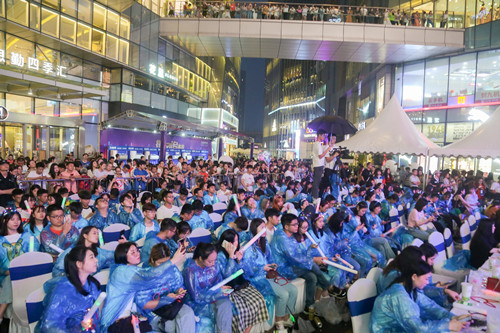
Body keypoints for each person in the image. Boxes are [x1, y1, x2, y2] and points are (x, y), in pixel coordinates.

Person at [101, 241, 185, 332]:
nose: (137, 254)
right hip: (116, 322)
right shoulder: (121, 272)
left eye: (137, 250)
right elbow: (149, 276)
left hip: (131, 320)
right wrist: (173, 260)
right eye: (133, 252)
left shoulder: (134, 270)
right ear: (123, 256)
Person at [370, 259, 468, 332]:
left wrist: (451, 317)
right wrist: (448, 325)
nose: (427, 283)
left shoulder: (409, 288)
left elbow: (429, 306)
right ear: (414, 276)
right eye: (426, 279)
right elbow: (419, 329)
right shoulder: (399, 295)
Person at [242, 219, 297, 329]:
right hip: (257, 279)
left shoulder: (264, 242)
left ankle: (286, 316)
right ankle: (279, 320)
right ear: (254, 229)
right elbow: (247, 269)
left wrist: (272, 264)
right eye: (261, 227)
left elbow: (270, 259)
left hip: (268, 274)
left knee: (293, 290)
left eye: (264, 227)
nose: (264, 230)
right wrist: (263, 268)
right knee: (283, 294)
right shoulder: (248, 246)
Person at [270, 213, 328, 309]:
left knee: (312, 277)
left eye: (297, 224)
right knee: (313, 265)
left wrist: (310, 250)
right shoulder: (283, 238)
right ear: (286, 226)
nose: (297, 226)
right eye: (294, 225)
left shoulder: (288, 235)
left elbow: (299, 255)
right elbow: (294, 257)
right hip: (283, 268)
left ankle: (309, 305)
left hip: (292, 265)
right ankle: (327, 285)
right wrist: (313, 259)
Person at [216, 229, 269, 333]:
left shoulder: (237, 251)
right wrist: (231, 257)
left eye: (236, 240)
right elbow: (226, 276)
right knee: (241, 310)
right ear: (225, 242)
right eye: (232, 241)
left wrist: (239, 261)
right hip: (227, 287)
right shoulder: (219, 255)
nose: (234, 244)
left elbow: (244, 272)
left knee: (259, 300)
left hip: (240, 283)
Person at [135, 243, 196, 333]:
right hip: (154, 312)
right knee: (171, 326)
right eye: (160, 263)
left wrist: (179, 291)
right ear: (152, 260)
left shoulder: (172, 269)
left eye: (167, 263)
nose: (164, 267)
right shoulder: (143, 275)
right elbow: (143, 304)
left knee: (187, 313)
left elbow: (179, 285)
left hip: (172, 306)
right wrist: (165, 299)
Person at [38, 246, 101, 332]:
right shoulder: (63, 290)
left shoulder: (92, 285)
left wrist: (82, 327)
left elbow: (93, 320)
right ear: (79, 264)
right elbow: (50, 325)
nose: (96, 260)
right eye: (91, 257)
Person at [182, 242, 233, 333]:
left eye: (215, 260)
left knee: (226, 304)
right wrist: (218, 292)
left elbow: (218, 281)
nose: (213, 263)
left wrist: (221, 287)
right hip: (198, 304)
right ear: (201, 258)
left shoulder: (214, 265)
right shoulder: (190, 271)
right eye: (210, 261)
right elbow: (196, 297)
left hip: (214, 295)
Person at [0, 209, 40, 324]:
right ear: (4, 221)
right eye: (12, 219)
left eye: (18, 219)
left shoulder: (27, 236)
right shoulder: (0, 240)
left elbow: (34, 253)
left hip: (26, 271)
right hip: (6, 273)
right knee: (10, 278)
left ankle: (1, 311)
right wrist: (5, 271)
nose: (16, 222)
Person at [52, 226, 116, 277]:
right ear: (85, 235)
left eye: (97, 234)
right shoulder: (71, 251)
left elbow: (113, 255)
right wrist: (75, 278)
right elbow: (57, 272)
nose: (97, 235)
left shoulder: (98, 251)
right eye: (94, 233)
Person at [312, 129, 334, 200]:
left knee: (317, 182)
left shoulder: (318, 144)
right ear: (319, 135)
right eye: (323, 135)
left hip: (318, 165)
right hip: (318, 165)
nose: (324, 137)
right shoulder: (317, 144)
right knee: (316, 182)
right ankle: (315, 197)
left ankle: (315, 197)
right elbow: (320, 156)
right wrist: (327, 149)